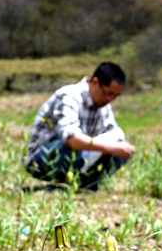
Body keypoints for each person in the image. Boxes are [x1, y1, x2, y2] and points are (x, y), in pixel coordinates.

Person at [24, 62, 136, 191]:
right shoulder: (69, 96)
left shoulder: (102, 103)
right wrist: (109, 147)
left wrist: (118, 144)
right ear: (95, 82)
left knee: (121, 148)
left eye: (116, 96)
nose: (111, 99)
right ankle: (61, 184)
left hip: (78, 155)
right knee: (73, 147)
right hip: (42, 157)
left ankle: (85, 185)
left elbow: (113, 130)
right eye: (109, 93)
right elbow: (70, 138)